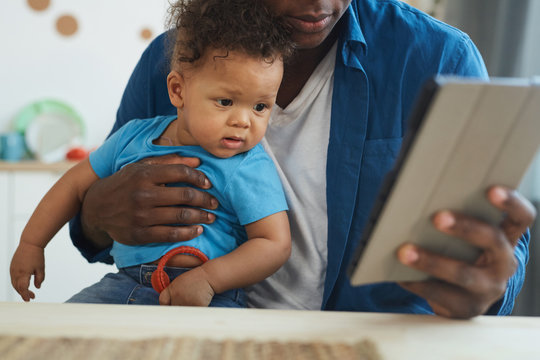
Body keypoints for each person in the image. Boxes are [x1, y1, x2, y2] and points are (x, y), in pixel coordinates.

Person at [70, 0, 535, 318]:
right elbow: (98, 225)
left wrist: (488, 285)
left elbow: (495, 243)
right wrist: (94, 213)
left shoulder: (437, 55)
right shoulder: (173, 60)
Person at [10, 0, 295, 307]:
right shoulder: (133, 136)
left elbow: (274, 244)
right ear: (178, 91)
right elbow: (73, 184)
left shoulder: (248, 165)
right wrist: (31, 243)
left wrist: (209, 279)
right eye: (226, 102)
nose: (243, 121)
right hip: (124, 284)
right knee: (59, 336)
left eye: (260, 107)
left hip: (207, 295)